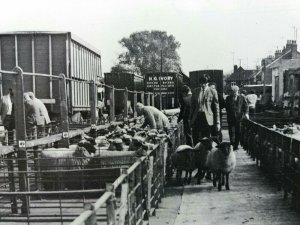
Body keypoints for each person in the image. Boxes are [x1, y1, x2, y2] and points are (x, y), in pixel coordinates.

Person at [190, 74, 220, 145]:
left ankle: (205, 155)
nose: (203, 85)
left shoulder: (213, 91)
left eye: (205, 83)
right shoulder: (195, 91)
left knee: (206, 139)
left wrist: (217, 122)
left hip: (207, 118)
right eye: (201, 83)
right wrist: (190, 119)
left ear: (208, 83)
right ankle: (196, 154)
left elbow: (216, 108)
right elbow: (192, 106)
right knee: (195, 138)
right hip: (197, 117)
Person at [225, 85, 249, 150]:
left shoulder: (242, 97)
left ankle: (236, 145)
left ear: (238, 91)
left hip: (239, 118)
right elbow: (227, 107)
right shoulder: (228, 98)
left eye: (236, 91)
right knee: (231, 131)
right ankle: (232, 143)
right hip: (231, 117)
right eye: (233, 91)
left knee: (238, 131)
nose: (234, 93)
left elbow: (246, 107)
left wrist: (246, 114)